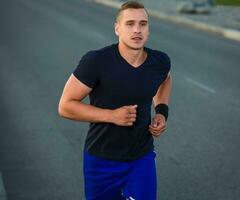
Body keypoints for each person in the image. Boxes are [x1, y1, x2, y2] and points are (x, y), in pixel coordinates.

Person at [58, 1, 172, 199]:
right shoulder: (96, 61)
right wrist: (111, 116)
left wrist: (161, 111)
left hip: (141, 158)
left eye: (142, 24)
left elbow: (165, 79)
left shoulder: (159, 61)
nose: (137, 30)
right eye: (130, 24)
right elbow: (65, 106)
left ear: (148, 29)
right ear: (117, 28)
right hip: (102, 161)